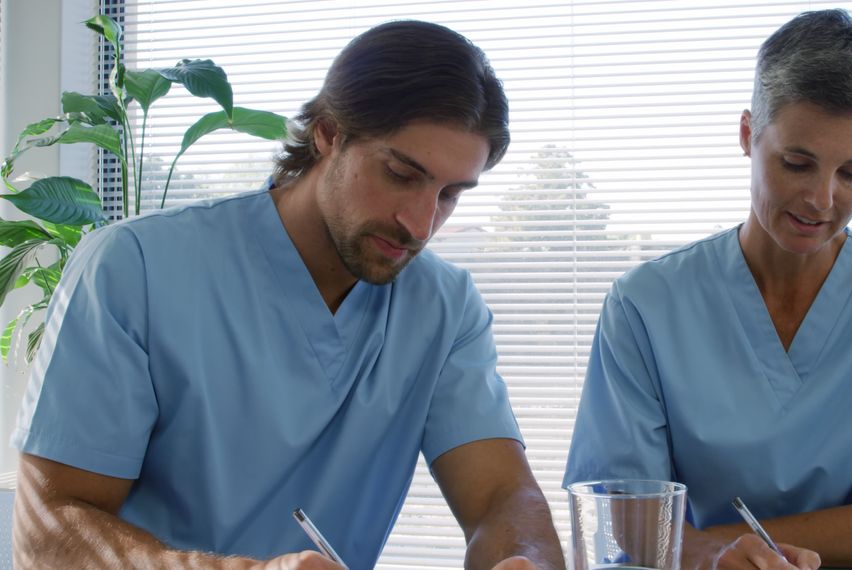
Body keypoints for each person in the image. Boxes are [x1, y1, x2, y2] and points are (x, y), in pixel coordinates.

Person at [11, 20, 564, 570]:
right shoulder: (133, 268)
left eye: (450, 195)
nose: (421, 225)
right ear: (327, 133)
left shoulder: (445, 307)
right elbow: (50, 528)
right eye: (400, 174)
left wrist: (525, 558)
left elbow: (501, 497)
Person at [563, 9, 852, 569]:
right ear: (747, 135)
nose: (822, 199)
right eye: (797, 162)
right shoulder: (645, 305)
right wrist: (717, 560)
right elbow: (629, 517)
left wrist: (721, 548)